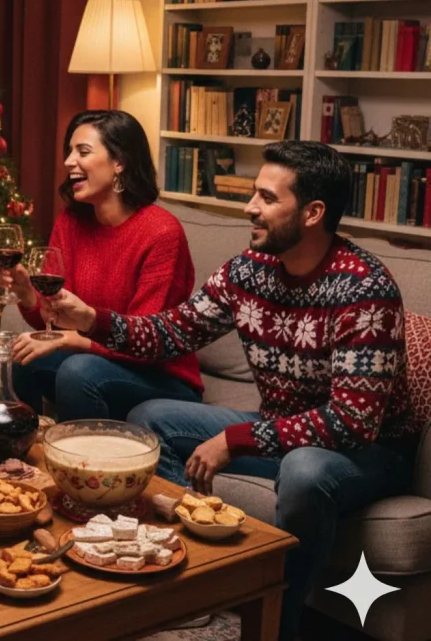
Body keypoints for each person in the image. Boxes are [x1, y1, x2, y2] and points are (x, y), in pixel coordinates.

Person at [46, 140, 417, 641]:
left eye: (266, 197)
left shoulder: (363, 289)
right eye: (253, 195)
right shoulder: (250, 269)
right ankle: (194, 583)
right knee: (153, 417)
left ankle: (276, 627)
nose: (250, 207)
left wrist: (237, 439)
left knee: (304, 469)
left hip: (365, 452)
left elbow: (350, 422)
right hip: (280, 431)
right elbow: (171, 332)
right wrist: (94, 321)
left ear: (312, 212)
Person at [0, 110, 203, 421]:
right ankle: (22, 456)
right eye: (69, 151)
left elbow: (146, 343)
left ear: (119, 161)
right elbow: (53, 320)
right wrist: (27, 293)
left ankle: (80, 465)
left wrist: (74, 340)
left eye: (82, 151)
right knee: (22, 357)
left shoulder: (162, 233)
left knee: (76, 369)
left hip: (161, 376)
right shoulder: (71, 221)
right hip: (93, 360)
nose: (68, 161)